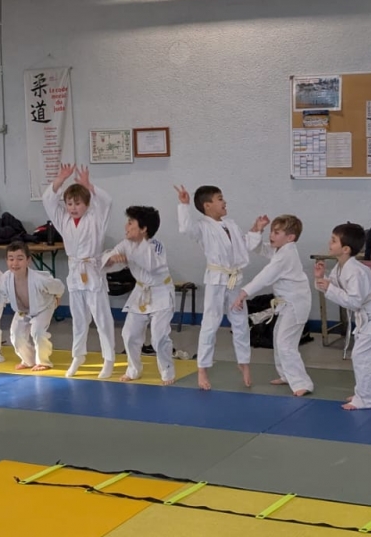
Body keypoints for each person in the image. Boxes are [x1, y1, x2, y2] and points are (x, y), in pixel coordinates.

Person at [176, 184, 257, 391]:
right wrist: (184, 205)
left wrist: (257, 229)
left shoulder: (231, 224)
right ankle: (202, 368)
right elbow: (186, 229)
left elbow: (244, 245)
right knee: (210, 323)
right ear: (207, 205)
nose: (224, 202)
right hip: (215, 279)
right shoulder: (202, 227)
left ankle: (244, 362)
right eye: (220, 198)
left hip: (234, 279)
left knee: (240, 321)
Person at [44, 164, 117, 379]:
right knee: (78, 318)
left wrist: (89, 186)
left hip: (93, 271)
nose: (73, 208)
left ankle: (109, 358)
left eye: (77, 203)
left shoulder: (96, 218)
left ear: (87, 204)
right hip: (75, 272)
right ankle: (78, 355)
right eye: (69, 203)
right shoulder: (63, 220)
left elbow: (107, 202)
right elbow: (49, 200)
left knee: (101, 318)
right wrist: (60, 179)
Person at [233, 214, 313, 396]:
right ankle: (286, 375)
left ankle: (302, 383)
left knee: (286, 344)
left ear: (290, 237)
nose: (271, 236)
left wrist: (244, 293)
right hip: (286, 304)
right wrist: (257, 230)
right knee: (279, 338)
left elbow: (265, 276)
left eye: (276, 233)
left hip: (295, 304)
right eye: (271, 232)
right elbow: (259, 248)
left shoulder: (286, 255)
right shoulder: (281, 250)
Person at [315, 222, 371, 410]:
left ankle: (365, 398)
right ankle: (366, 393)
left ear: (345, 249)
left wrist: (329, 288)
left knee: (363, 357)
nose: (329, 243)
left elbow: (354, 301)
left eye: (334, 241)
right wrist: (320, 278)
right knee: (365, 357)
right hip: (367, 317)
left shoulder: (356, 271)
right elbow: (334, 287)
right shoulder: (341, 267)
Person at [104, 205, 175, 384]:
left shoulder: (156, 246)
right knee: (129, 334)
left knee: (158, 337)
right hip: (141, 292)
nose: (126, 226)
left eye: (130, 223)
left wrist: (129, 256)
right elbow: (109, 259)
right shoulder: (125, 244)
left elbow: (151, 265)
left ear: (143, 229)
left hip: (161, 292)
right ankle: (134, 369)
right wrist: (112, 259)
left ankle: (167, 371)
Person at [0, 240, 65, 371]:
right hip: (22, 310)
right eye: (11, 259)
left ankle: (44, 361)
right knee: (16, 335)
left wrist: (58, 297)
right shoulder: (5, 279)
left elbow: (59, 286)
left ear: (28, 260)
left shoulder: (40, 279)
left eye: (20, 259)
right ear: (6, 261)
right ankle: (28, 360)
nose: (15, 263)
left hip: (44, 307)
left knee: (38, 332)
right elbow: (0, 297)